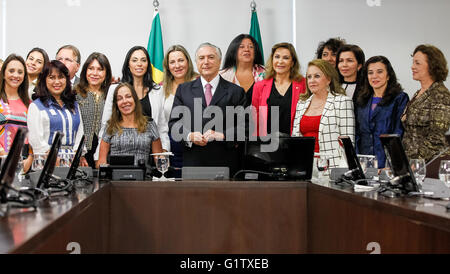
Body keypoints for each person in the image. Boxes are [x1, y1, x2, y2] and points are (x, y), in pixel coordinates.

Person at [168, 42, 246, 175]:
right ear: (196, 62)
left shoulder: (236, 91)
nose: (206, 62)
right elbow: (174, 124)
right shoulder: (184, 90)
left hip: (226, 163)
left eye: (211, 57)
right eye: (201, 58)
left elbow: (245, 126)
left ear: (220, 61)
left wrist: (222, 135)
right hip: (193, 162)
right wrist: (189, 136)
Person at [98, 46, 170, 161]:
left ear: (148, 64)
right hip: (119, 153)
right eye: (134, 60)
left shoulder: (157, 90)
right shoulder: (115, 89)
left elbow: (161, 127)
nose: (139, 64)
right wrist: (99, 157)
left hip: (151, 153)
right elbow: (106, 124)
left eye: (143, 60)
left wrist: (164, 152)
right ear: (128, 64)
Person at [292, 59, 354, 169]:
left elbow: (348, 143)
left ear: (328, 79)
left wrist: (342, 171)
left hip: (332, 167)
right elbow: (295, 138)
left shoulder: (342, 102)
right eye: (309, 77)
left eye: (317, 76)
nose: (312, 80)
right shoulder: (301, 104)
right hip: (304, 166)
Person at [27, 60, 86, 166]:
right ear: (44, 80)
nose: (57, 82)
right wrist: (54, 159)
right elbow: (36, 140)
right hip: (46, 162)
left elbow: (80, 134)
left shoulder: (74, 105)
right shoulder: (36, 106)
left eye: (61, 77)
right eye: (51, 77)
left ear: (67, 80)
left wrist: (78, 156)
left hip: (72, 162)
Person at [355, 56, 409, 168]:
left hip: (386, 163)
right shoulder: (361, 100)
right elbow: (358, 134)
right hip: (364, 162)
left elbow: (398, 132)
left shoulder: (399, 98)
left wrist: (390, 164)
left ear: (388, 75)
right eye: (370, 73)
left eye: (380, 72)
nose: (374, 76)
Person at [402, 44, 450, 163]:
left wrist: (415, 161)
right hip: (412, 162)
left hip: (430, 164)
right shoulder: (418, 93)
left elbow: (436, 138)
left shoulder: (440, 95)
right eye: (413, 62)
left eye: (417, 63)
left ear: (432, 66)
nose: (412, 67)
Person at [97, 83, 163, 168]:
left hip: (143, 179)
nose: (125, 101)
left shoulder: (150, 124)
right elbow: (101, 162)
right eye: (119, 99)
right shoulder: (110, 126)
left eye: (128, 96)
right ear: (116, 104)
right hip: (115, 179)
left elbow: (159, 160)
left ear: (135, 99)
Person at [252, 42, 306, 136]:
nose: (280, 61)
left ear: (292, 62)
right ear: (272, 60)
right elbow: (255, 119)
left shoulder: (303, 84)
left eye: (285, 58)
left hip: (294, 142)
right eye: (277, 57)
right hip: (267, 144)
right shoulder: (259, 86)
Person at [162, 45, 198, 173]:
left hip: (196, 145)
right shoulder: (162, 87)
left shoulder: (200, 82)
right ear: (167, 66)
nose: (177, 65)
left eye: (181, 60)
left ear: (188, 61)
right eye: (172, 62)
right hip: (171, 146)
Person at [74, 52, 112, 168]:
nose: (95, 73)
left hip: (104, 152)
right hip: (81, 152)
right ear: (85, 70)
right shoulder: (74, 93)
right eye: (91, 68)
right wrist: (79, 153)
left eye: (100, 69)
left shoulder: (111, 95)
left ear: (106, 73)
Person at [220, 34, 265, 106]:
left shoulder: (267, 74)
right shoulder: (222, 76)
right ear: (233, 51)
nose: (246, 49)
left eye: (251, 47)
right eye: (241, 47)